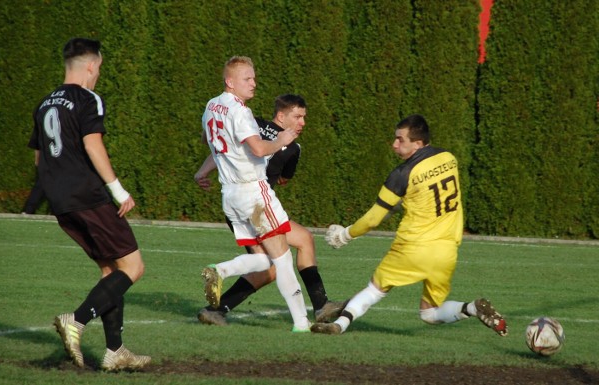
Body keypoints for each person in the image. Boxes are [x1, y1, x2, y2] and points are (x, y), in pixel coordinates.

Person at [310, 114, 508, 337]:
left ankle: (340, 325)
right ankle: (472, 307)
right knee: (429, 314)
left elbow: (373, 219)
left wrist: (346, 234)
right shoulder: (448, 157)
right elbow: (425, 194)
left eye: (400, 139)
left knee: (375, 289)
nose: (394, 144)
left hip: (413, 246)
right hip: (447, 251)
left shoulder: (401, 174)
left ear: (418, 143)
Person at [28, 38, 151, 370]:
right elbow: (93, 144)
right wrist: (118, 191)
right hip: (87, 194)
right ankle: (77, 321)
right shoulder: (87, 98)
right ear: (91, 65)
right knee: (133, 267)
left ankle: (115, 352)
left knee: (110, 270)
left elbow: (40, 158)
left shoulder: (44, 104)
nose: (98, 75)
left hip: (61, 201)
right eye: (99, 69)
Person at [194, 94, 345, 326]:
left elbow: (226, 151)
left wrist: (202, 172)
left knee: (301, 241)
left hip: (237, 203)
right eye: (297, 117)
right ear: (281, 116)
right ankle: (220, 305)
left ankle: (320, 305)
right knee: (271, 267)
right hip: (256, 206)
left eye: (304, 117)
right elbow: (284, 179)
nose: (302, 123)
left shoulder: (254, 123)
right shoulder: (293, 147)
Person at [199, 56, 310, 332]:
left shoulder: (212, 106)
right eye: (247, 78)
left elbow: (210, 142)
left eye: (254, 77)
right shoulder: (240, 111)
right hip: (254, 194)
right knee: (282, 260)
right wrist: (281, 140)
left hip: (231, 196)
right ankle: (302, 324)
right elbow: (259, 150)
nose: (253, 83)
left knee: (265, 261)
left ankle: (222, 270)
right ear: (230, 82)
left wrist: (200, 173)